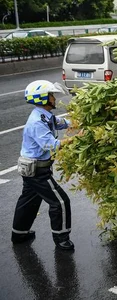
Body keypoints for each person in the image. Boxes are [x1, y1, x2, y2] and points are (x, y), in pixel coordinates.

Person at [12, 80, 74, 251]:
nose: (54, 98)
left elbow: (61, 123)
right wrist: (77, 139)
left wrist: (78, 123)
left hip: (33, 168)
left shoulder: (45, 116)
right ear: (42, 99)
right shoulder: (37, 122)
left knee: (28, 201)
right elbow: (52, 145)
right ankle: (62, 239)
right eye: (51, 95)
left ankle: (19, 234)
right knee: (60, 202)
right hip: (37, 171)